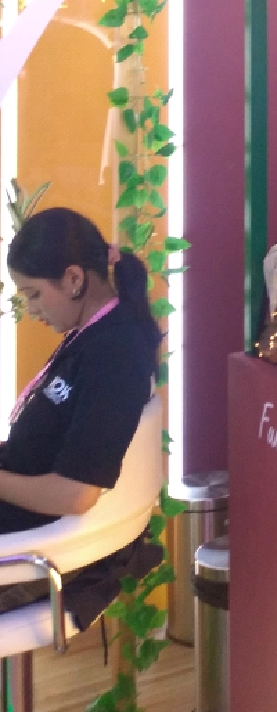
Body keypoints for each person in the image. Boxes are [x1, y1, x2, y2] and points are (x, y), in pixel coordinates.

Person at [0, 208, 162, 619]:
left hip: (37, 543)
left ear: (74, 279)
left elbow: (75, 494)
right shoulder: (92, 335)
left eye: (34, 294)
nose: (31, 310)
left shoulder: (115, 354)